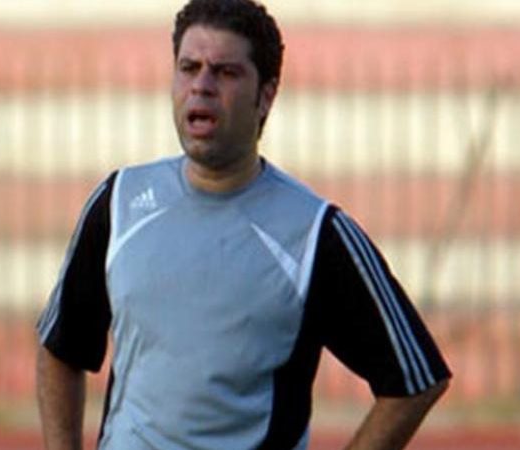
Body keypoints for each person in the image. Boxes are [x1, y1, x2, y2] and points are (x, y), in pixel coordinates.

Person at [35, 0, 451, 449]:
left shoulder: (314, 233)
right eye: (189, 68)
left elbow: (415, 381)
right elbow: (60, 348)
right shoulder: (120, 203)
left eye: (226, 72)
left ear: (266, 95)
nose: (202, 86)